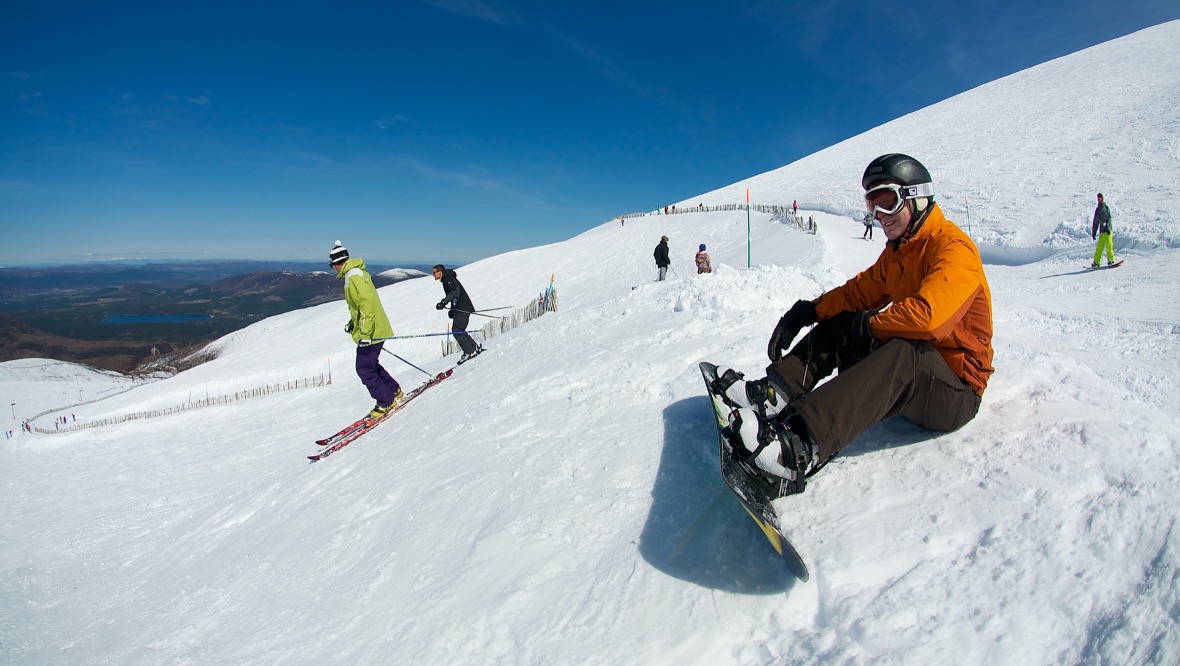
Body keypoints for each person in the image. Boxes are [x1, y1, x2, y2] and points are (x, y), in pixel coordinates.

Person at [712, 154, 994, 497]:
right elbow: (859, 293)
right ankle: (773, 394)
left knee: (905, 347)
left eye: (887, 202)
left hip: (955, 394)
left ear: (917, 198)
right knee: (847, 318)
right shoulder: (899, 253)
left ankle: (798, 446)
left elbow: (929, 319)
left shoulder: (953, 249)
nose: (879, 216)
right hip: (913, 384)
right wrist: (809, 311)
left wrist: (872, 326)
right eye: (872, 205)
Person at [330, 241, 402, 419]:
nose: (332, 268)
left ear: (337, 263)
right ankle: (394, 391)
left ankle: (386, 401)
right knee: (371, 365)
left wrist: (364, 333)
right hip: (374, 329)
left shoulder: (353, 276)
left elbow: (367, 304)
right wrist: (353, 323)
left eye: (331, 264)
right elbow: (361, 306)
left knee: (363, 368)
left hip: (372, 332)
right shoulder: (357, 273)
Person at [433, 264, 483, 363]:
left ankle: (470, 351)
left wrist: (443, 302)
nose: (433, 275)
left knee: (457, 330)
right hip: (461, 308)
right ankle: (474, 348)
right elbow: (455, 296)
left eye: (434, 272)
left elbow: (454, 293)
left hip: (462, 308)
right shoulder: (448, 279)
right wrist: (452, 310)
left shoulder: (448, 280)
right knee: (459, 329)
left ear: (440, 272)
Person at [1091, 193, 1117, 267]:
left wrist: (1108, 228)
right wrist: (1094, 233)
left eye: (1100, 198)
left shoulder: (1106, 208)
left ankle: (1110, 260)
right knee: (1100, 247)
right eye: (1098, 198)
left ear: (1103, 198)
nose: (1099, 199)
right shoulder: (1098, 210)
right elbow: (1095, 222)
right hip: (1102, 231)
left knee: (1109, 245)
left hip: (1108, 231)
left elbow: (1109, 218)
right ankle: (1096, 262)